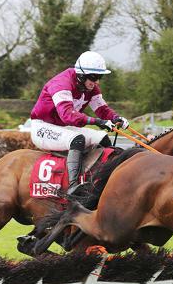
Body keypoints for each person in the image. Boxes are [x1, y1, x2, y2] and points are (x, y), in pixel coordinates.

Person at [28, 51, 130, 192]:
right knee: (77, 139)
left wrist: (115, 118)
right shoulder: (61, 84)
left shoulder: (91, 87)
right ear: (81, 75)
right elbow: (68, 115)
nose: (97, 82)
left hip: (63, 127)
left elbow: (102, 109)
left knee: (102, 137)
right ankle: (73, 187)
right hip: (42, 127)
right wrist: (97, 122)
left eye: (99, 77)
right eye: (94, 77)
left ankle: (106, 179)